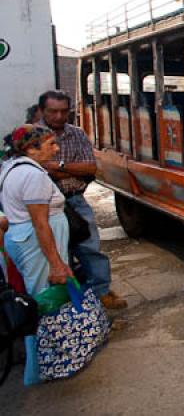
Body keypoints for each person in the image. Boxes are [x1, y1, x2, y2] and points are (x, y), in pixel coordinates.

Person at [36, 90, 127, 309]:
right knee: (56, 252)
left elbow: (90, 168)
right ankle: (66, 302)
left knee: (90, 247)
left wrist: (59, 167)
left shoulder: (76, 134)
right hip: (43, 206)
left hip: (75, 199)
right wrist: (71, 169)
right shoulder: (33, 135)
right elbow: (38, 170)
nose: (59, 116)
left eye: (63, 111)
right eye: (53, 112)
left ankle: (101, 292)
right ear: (42, 111)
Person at [0, 124, 72, 385]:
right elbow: (41, 223)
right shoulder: (33, 176)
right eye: (50, 144)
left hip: (22, 239)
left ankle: (42, 363)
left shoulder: (11, 167)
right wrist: (56, 264)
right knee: (43, 303)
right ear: (31, 148)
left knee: (36, 301)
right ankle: (43, 366)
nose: (56, 148)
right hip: (35, 244)